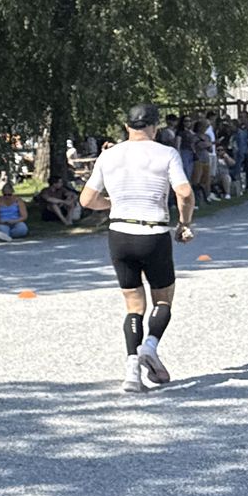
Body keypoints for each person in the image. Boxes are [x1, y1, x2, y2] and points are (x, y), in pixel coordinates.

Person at [78, 101, 195, 393]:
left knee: (133, 305)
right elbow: (184, 193)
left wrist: (112, 203)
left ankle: (132, 370)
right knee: (163, 300)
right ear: (154, 127)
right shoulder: (166, 153)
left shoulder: (108, 155)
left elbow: (87, 200)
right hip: (153, 232)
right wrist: (184, 223)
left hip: (120, 233)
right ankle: (150, 346)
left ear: (126, 126)